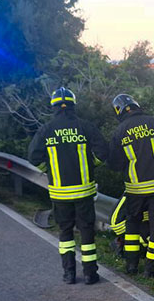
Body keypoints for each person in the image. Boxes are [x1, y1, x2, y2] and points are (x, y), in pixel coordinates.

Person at [29, 87, 109, 285]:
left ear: (54, 106)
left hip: (60, 193)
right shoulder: (85, 127)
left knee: (65, 233)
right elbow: (103, 152)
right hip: (84, 192)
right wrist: (91, 165)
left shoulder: (47, 129)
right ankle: (90, 274)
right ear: (73, 105)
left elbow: (33, 157)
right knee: (87, 231)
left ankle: (69, 274)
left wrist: (49, 170)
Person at [108, 94, 154, 277]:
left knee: (132, 225)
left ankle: (131, 266)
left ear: (119, 111)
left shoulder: (119, 131)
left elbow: (114, 164)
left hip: (135, 189)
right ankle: (151, 269)